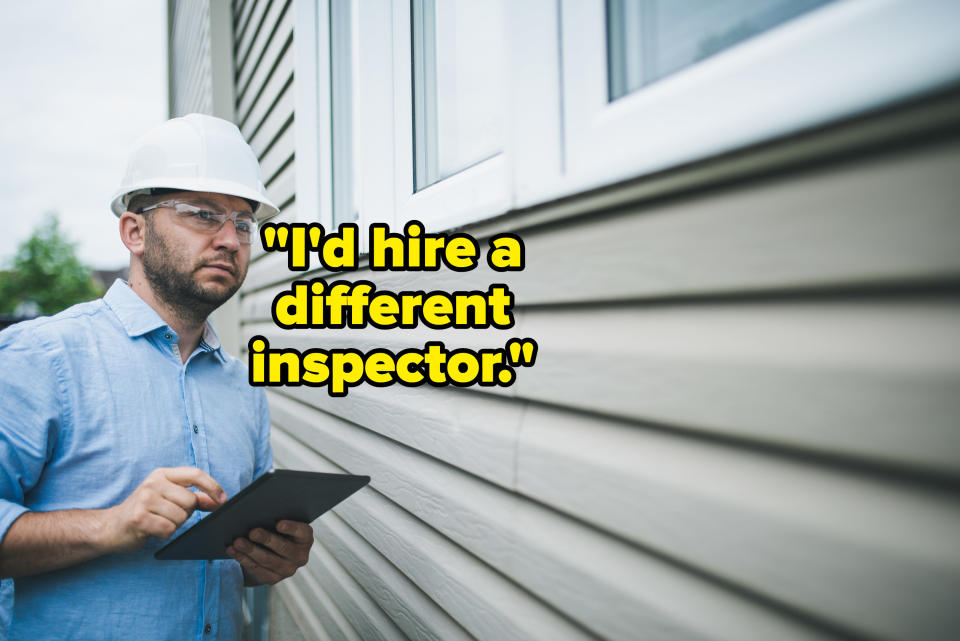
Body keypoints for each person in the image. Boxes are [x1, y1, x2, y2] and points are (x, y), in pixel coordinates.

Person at [0, 114, 311, 640]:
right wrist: (110, 525)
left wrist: (270, 558)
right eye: (203, 214)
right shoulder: (42, 357)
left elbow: (242, 563)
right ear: (134, 231)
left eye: (243, 223)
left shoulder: (242, 388)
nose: (230, 240)